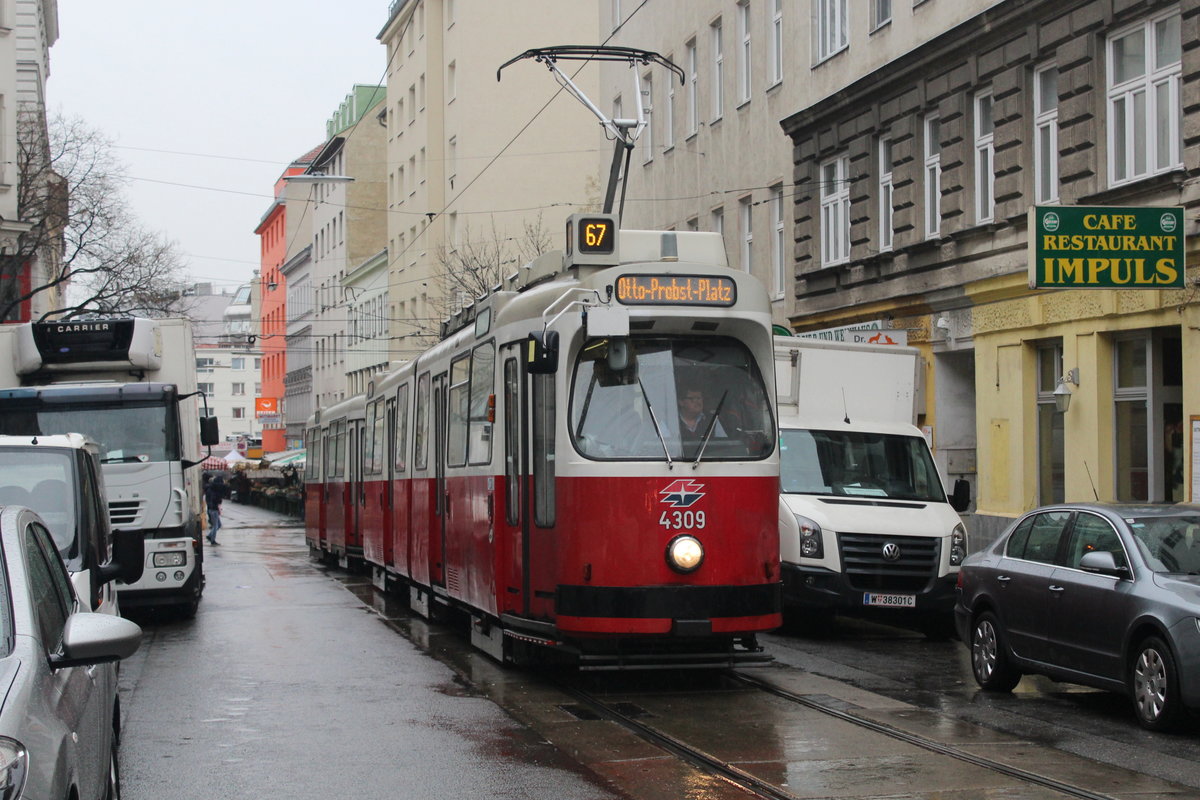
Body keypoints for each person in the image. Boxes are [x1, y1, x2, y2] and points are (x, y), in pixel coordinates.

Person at [205, 475, 227, 545]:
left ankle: (210, 536)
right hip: (213, 509)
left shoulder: (210, 489)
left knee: (218, 525)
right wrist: (218, 501)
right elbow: (214, 499)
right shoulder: (215, 490)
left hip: (212, 509)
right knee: (216, 525)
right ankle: (212, 540)